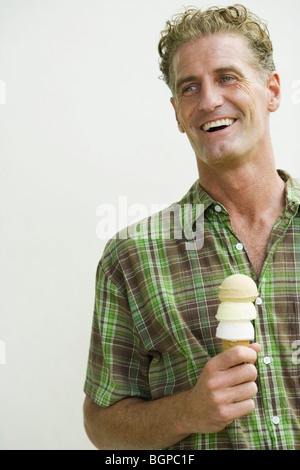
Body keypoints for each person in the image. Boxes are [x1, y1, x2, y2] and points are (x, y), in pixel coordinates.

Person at [83, 4, 299, 450]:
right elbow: (102, 427)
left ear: (272, 91)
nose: (209, 101)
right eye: (189, 87)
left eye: (227, 77)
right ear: (178, 114)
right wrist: (190, 410)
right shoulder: (132, 256)